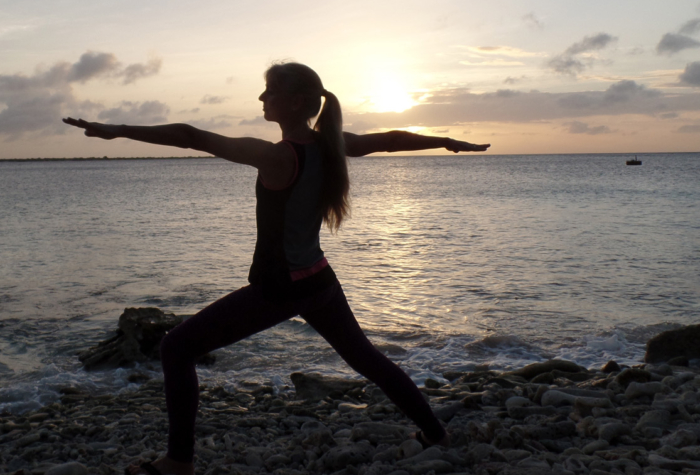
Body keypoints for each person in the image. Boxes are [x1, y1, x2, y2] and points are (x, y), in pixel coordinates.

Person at [63, 62, 489, 475]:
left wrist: (119, 130)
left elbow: (191, 136)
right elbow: (391, 139)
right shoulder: (332, 144)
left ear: (295, 101)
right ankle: (435, 435)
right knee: (366, 358)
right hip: (318, 279)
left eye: (271, 91)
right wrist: (446, 141)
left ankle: (178, 462)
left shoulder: (276, 156)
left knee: (176, 348)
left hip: (281, 288)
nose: (262, 97)